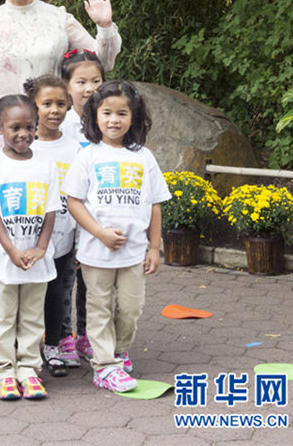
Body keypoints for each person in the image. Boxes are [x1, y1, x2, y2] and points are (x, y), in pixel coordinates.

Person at [65, 81, 170, 392]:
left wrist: (154, 247)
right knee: (98, 307)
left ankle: (119, 350)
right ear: (94, 117)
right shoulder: (87, 156)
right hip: (97, 252)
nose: (114, 120)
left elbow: (155, 205)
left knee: (131, 307)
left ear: (133, 117)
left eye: (122, 113)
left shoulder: (144, 157)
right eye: (106, 112)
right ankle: (105, 366)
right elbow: (73, 201)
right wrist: (99, 233)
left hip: (134, 253)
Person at [0, 94, 60, 401]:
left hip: (37, 259)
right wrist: (11, 250)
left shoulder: (46, 164)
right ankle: (5, 371)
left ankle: (29, 369)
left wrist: (41, 247)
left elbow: (51, 210)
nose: (23, 134)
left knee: (33, 318)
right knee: (4, 317)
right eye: (15, 128)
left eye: (29, 127)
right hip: (4, 258)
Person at [24, 74, 81, 377]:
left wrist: (80, 241)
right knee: (30, 294)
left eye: (61, 104)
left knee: (58, 293)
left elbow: (82, 197)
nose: (54, 110)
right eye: (46, 104)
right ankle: (28, 348)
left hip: (63, 238)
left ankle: (54, 345)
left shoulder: (74, 149)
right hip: (28, 239)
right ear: (33, 106)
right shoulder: (24, 145)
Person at [59, 49, 107, 364]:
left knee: (93, 280)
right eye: (81, 81)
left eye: (96, 81)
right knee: (63, 279)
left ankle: (88, 336)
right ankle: (62, 336)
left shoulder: (109, 120)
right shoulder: (58, 123)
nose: (89, 88)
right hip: (63, 214)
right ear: (66, 86)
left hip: (96, 216)